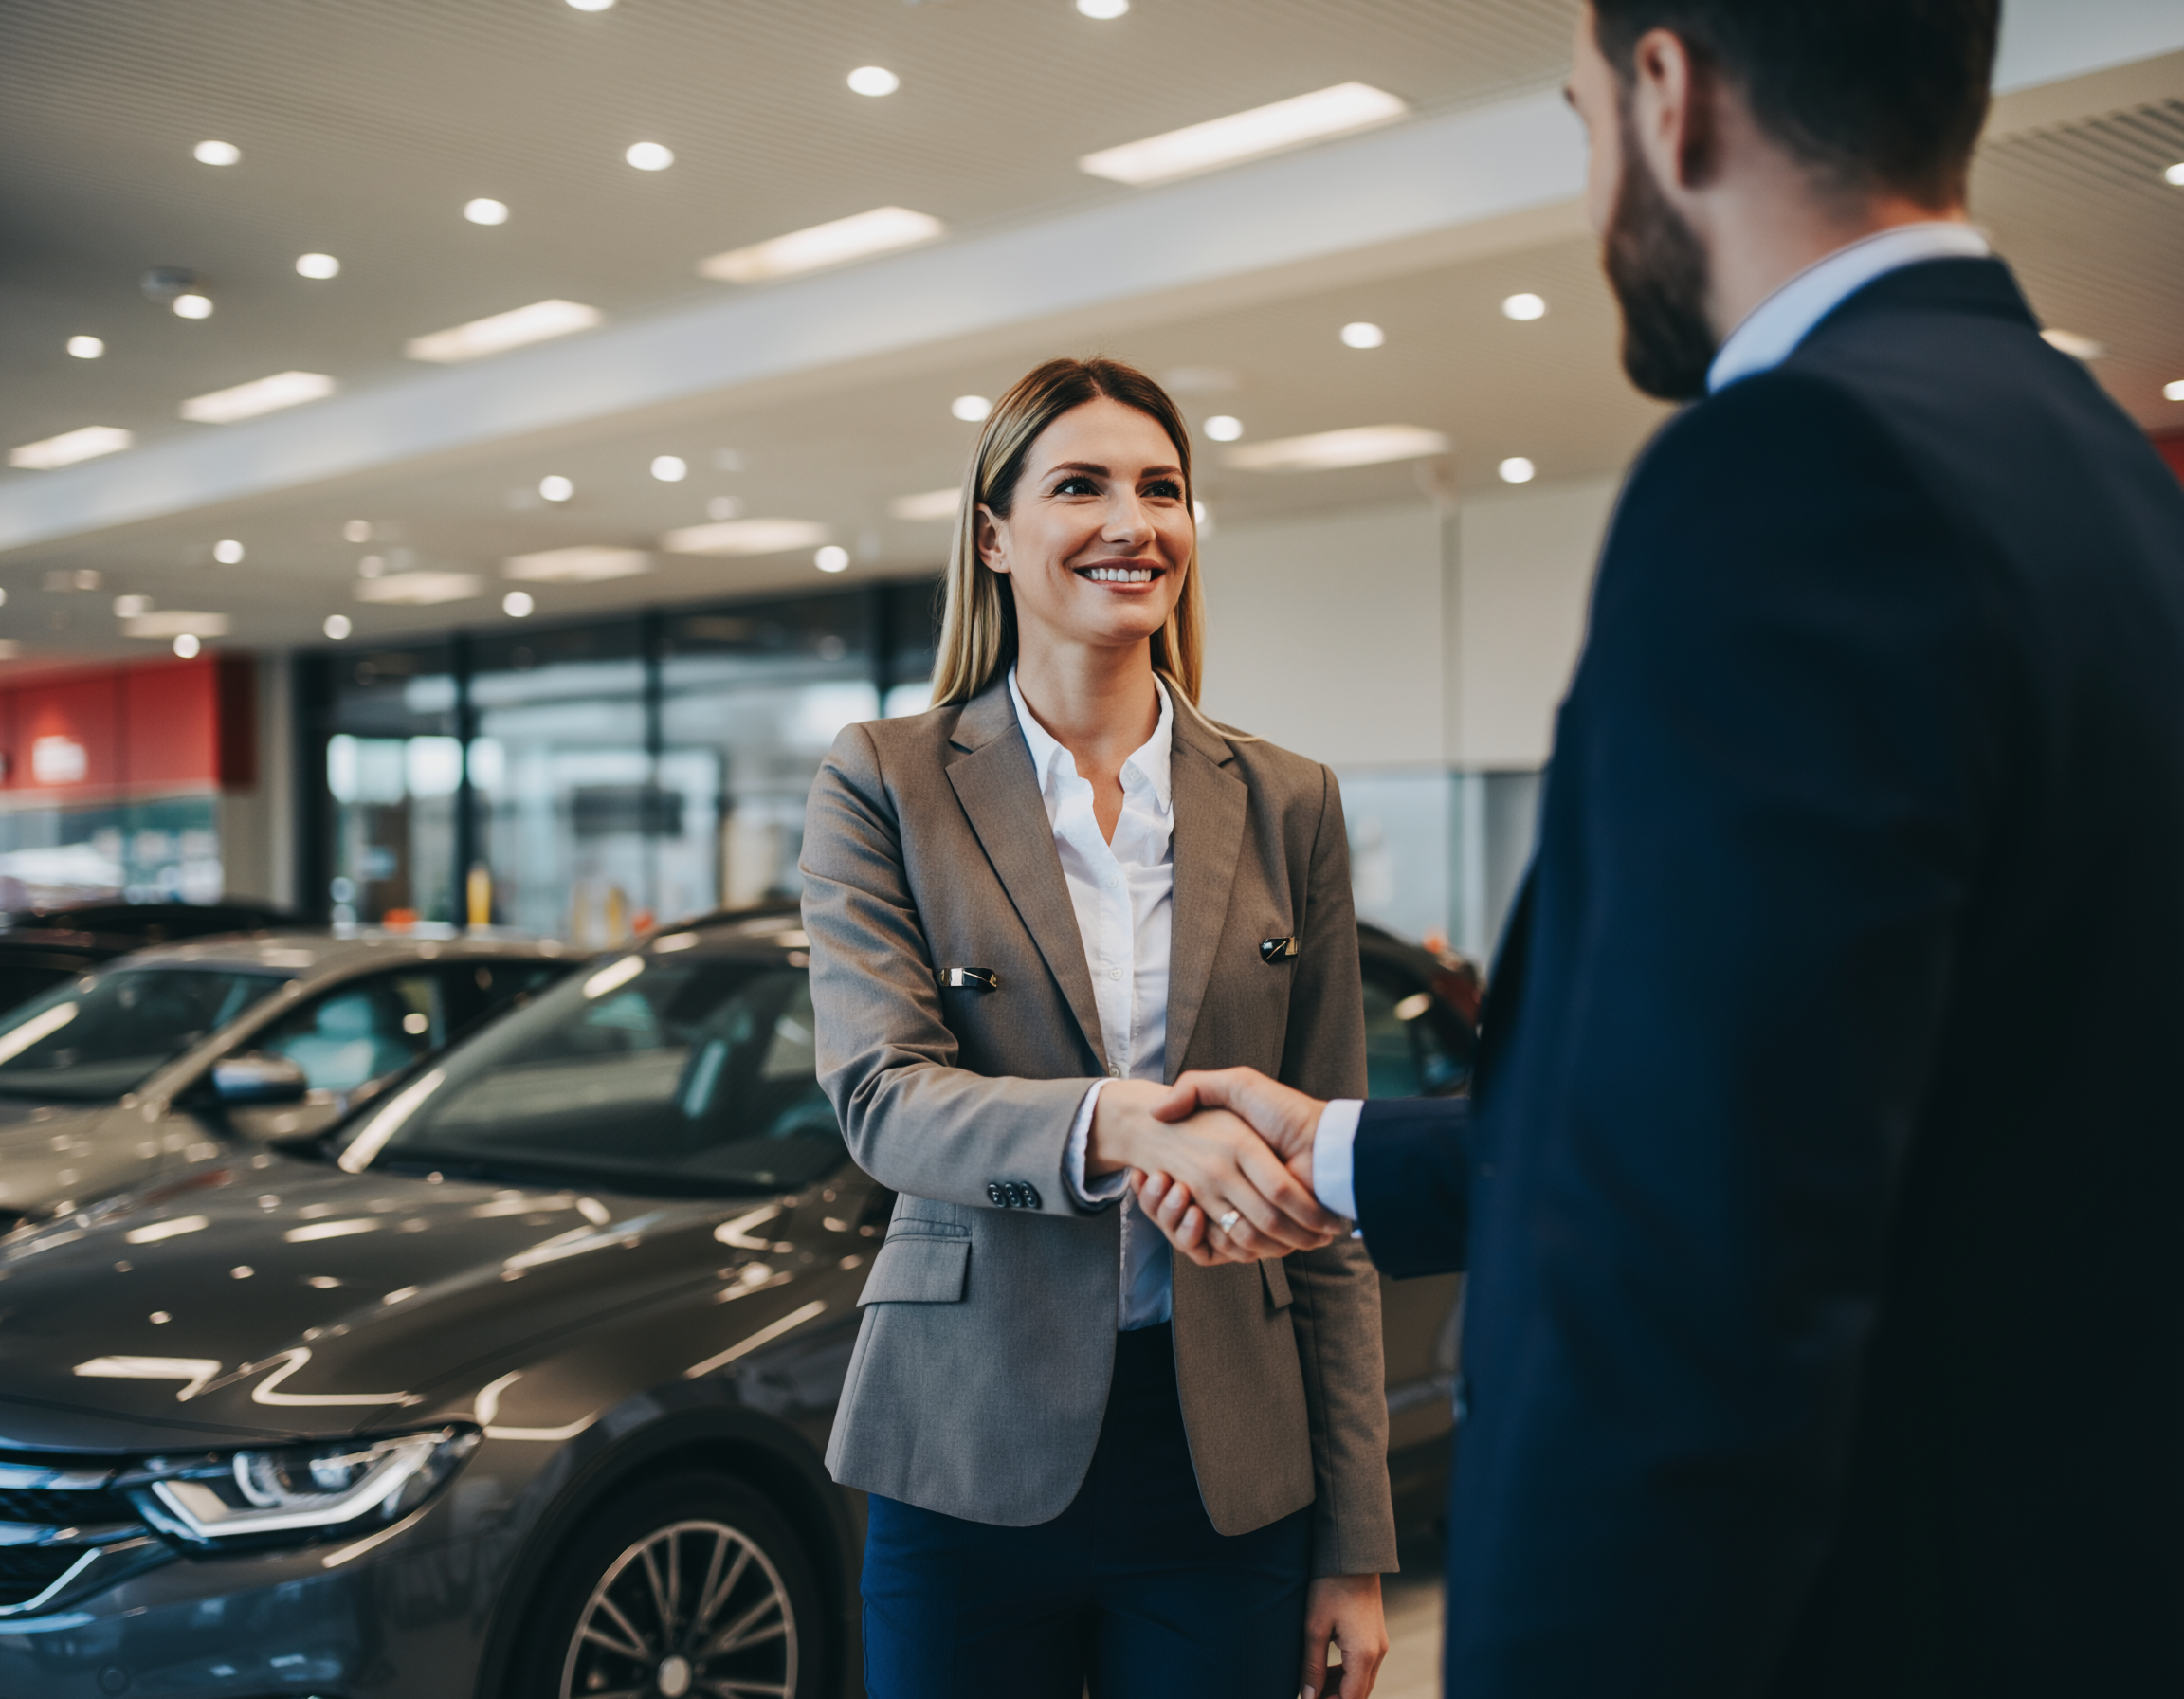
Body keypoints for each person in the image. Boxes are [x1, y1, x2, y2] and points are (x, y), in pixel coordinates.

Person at [1138, 1, 2184, 1694]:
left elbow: (1691, 1268)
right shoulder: (2111, 484)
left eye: (1578, 121)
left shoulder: (1798, 473)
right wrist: (1335, 1154)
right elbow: (1844, 1112)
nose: (1590, 185)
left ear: (1668, 95)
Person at [798, 356, 1392, 1699]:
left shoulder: (1289, 801)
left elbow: (1333, 1187)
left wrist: (1354, 1542)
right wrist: (1118, 1126)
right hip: (963, 1443)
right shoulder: (886, 779)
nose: (1134, 523)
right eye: (1082, 486)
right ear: (996, 536)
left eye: (1162, 488)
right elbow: (883, 1098)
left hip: (1226, 1462)